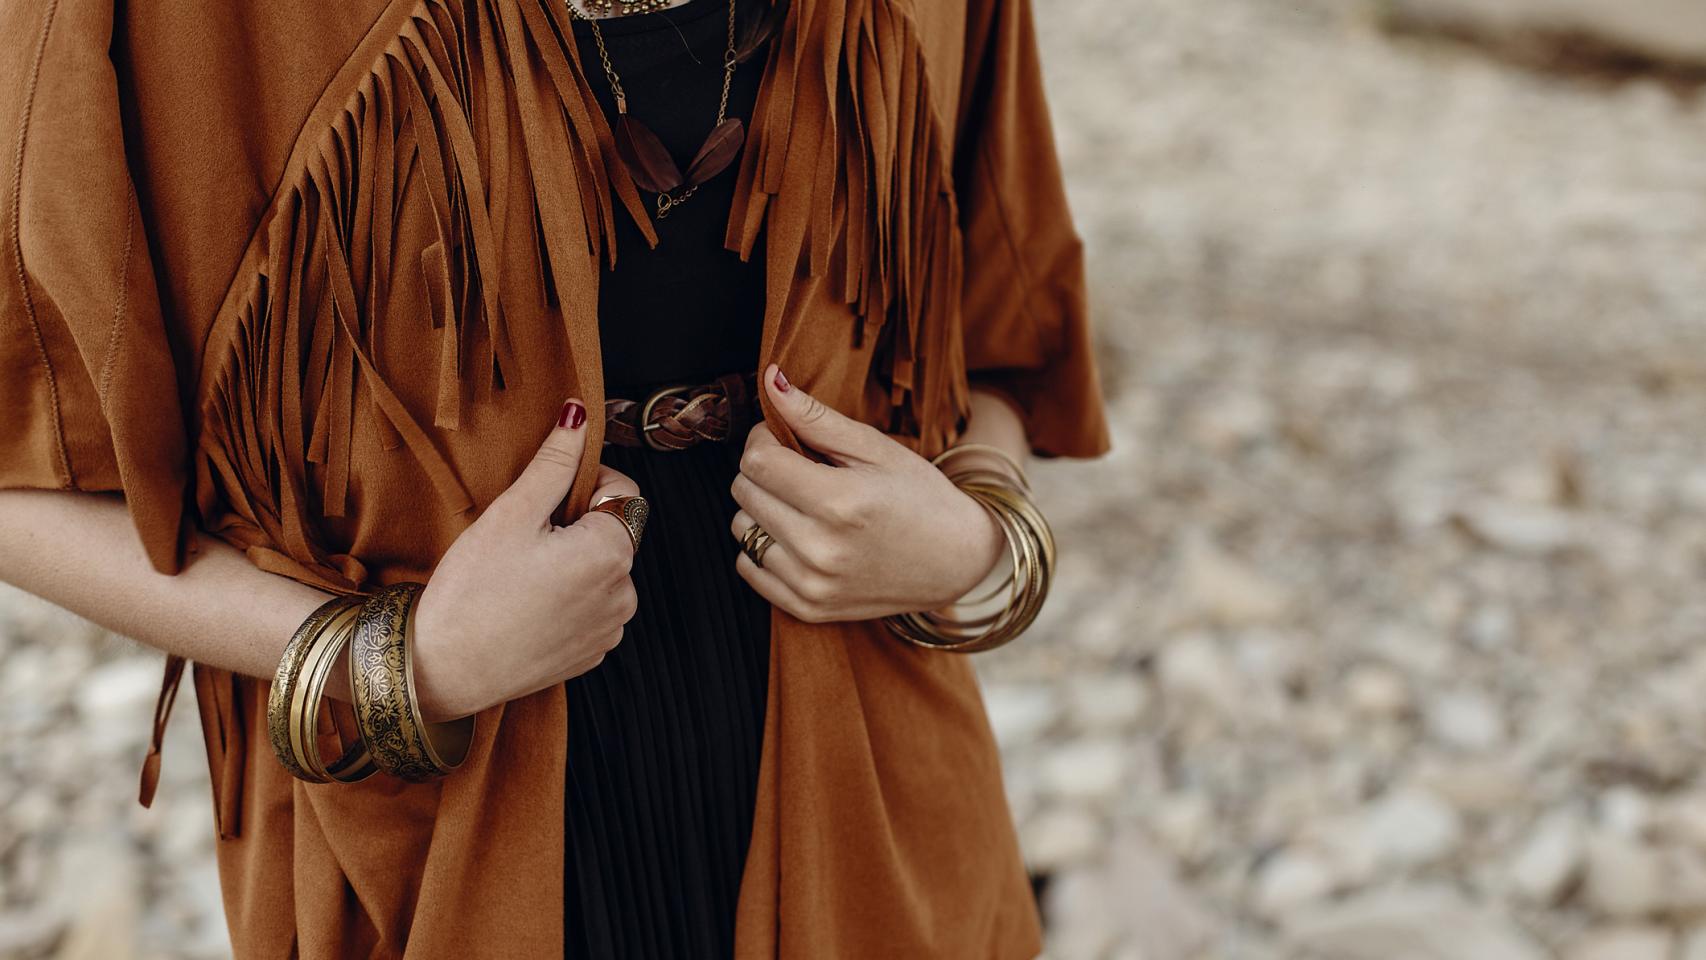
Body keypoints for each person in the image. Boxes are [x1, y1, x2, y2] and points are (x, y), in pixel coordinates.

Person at [0, 0, 1109, 956]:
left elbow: (1000, 336)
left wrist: (973, 543)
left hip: (868, 760)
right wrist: (403, 661)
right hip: (434, 803)